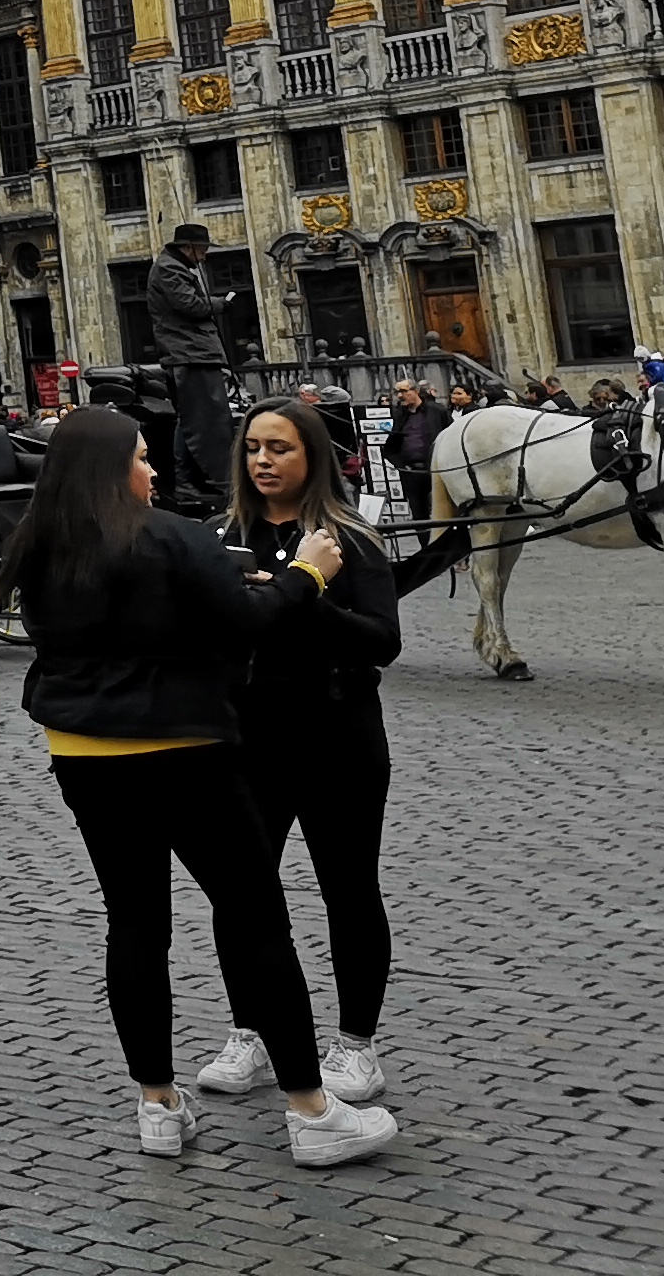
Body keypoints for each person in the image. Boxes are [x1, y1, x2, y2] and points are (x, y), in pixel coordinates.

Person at [0, 404, 395, 1166]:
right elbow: (246, 622)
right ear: (112, 470)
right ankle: (311, 1109)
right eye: (142, 458)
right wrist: (307, 576)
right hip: (182, 749)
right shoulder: (173, 536)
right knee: (256, 917)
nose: (152, 471)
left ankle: (157, 1103)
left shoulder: (37, 543)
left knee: (134, 925)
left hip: (82, 754)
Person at [200, 397, 402, 1111]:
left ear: (311, 456)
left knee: (349, 889)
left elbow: (383, 640)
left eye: (280, 448)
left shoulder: (350, 539)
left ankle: (356, 1043)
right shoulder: (221, 535)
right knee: (241, 892)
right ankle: (251, 1030)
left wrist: (307, 596)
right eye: (253, 447)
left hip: (336, 736)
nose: (263, 460)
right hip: (247, 739)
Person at [147, 224, 237, 502]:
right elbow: (191, 306)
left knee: (197, 420)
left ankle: (195, 479)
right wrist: (220, 304)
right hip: (189, 354)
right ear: (187, 248)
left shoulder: (173, 267)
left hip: (192, 354)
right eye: (202, 250)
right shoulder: (168, 269)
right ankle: (189, 481)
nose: (204, 256)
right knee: (198, 421)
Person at [380, 382, 448, 529]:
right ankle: (425, 543)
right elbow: (392, 445)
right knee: (419, 516)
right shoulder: (399, 414)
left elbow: (451, 436)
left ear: (416, 391)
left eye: (404, 391)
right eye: (397, 392)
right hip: (411, 472)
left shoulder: (437, 411)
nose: (400, 395)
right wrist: (401, 466)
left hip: (437, 470)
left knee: (444, 513)